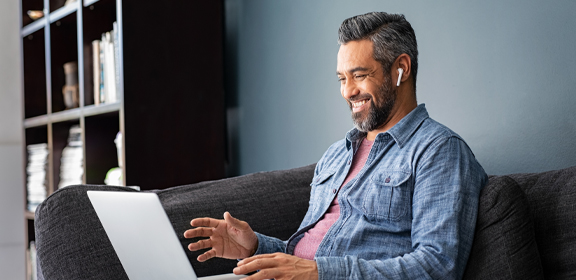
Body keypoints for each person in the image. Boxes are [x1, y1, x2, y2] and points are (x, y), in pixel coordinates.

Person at [184, 12, 487, 280]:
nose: (348, 91)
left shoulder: (438, 150)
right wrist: (255, 247)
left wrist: (320, 273)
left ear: (401, 69)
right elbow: (305, 256)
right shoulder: (336, 155)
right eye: (342, 78)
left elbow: (437, 267)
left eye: (360, 75)